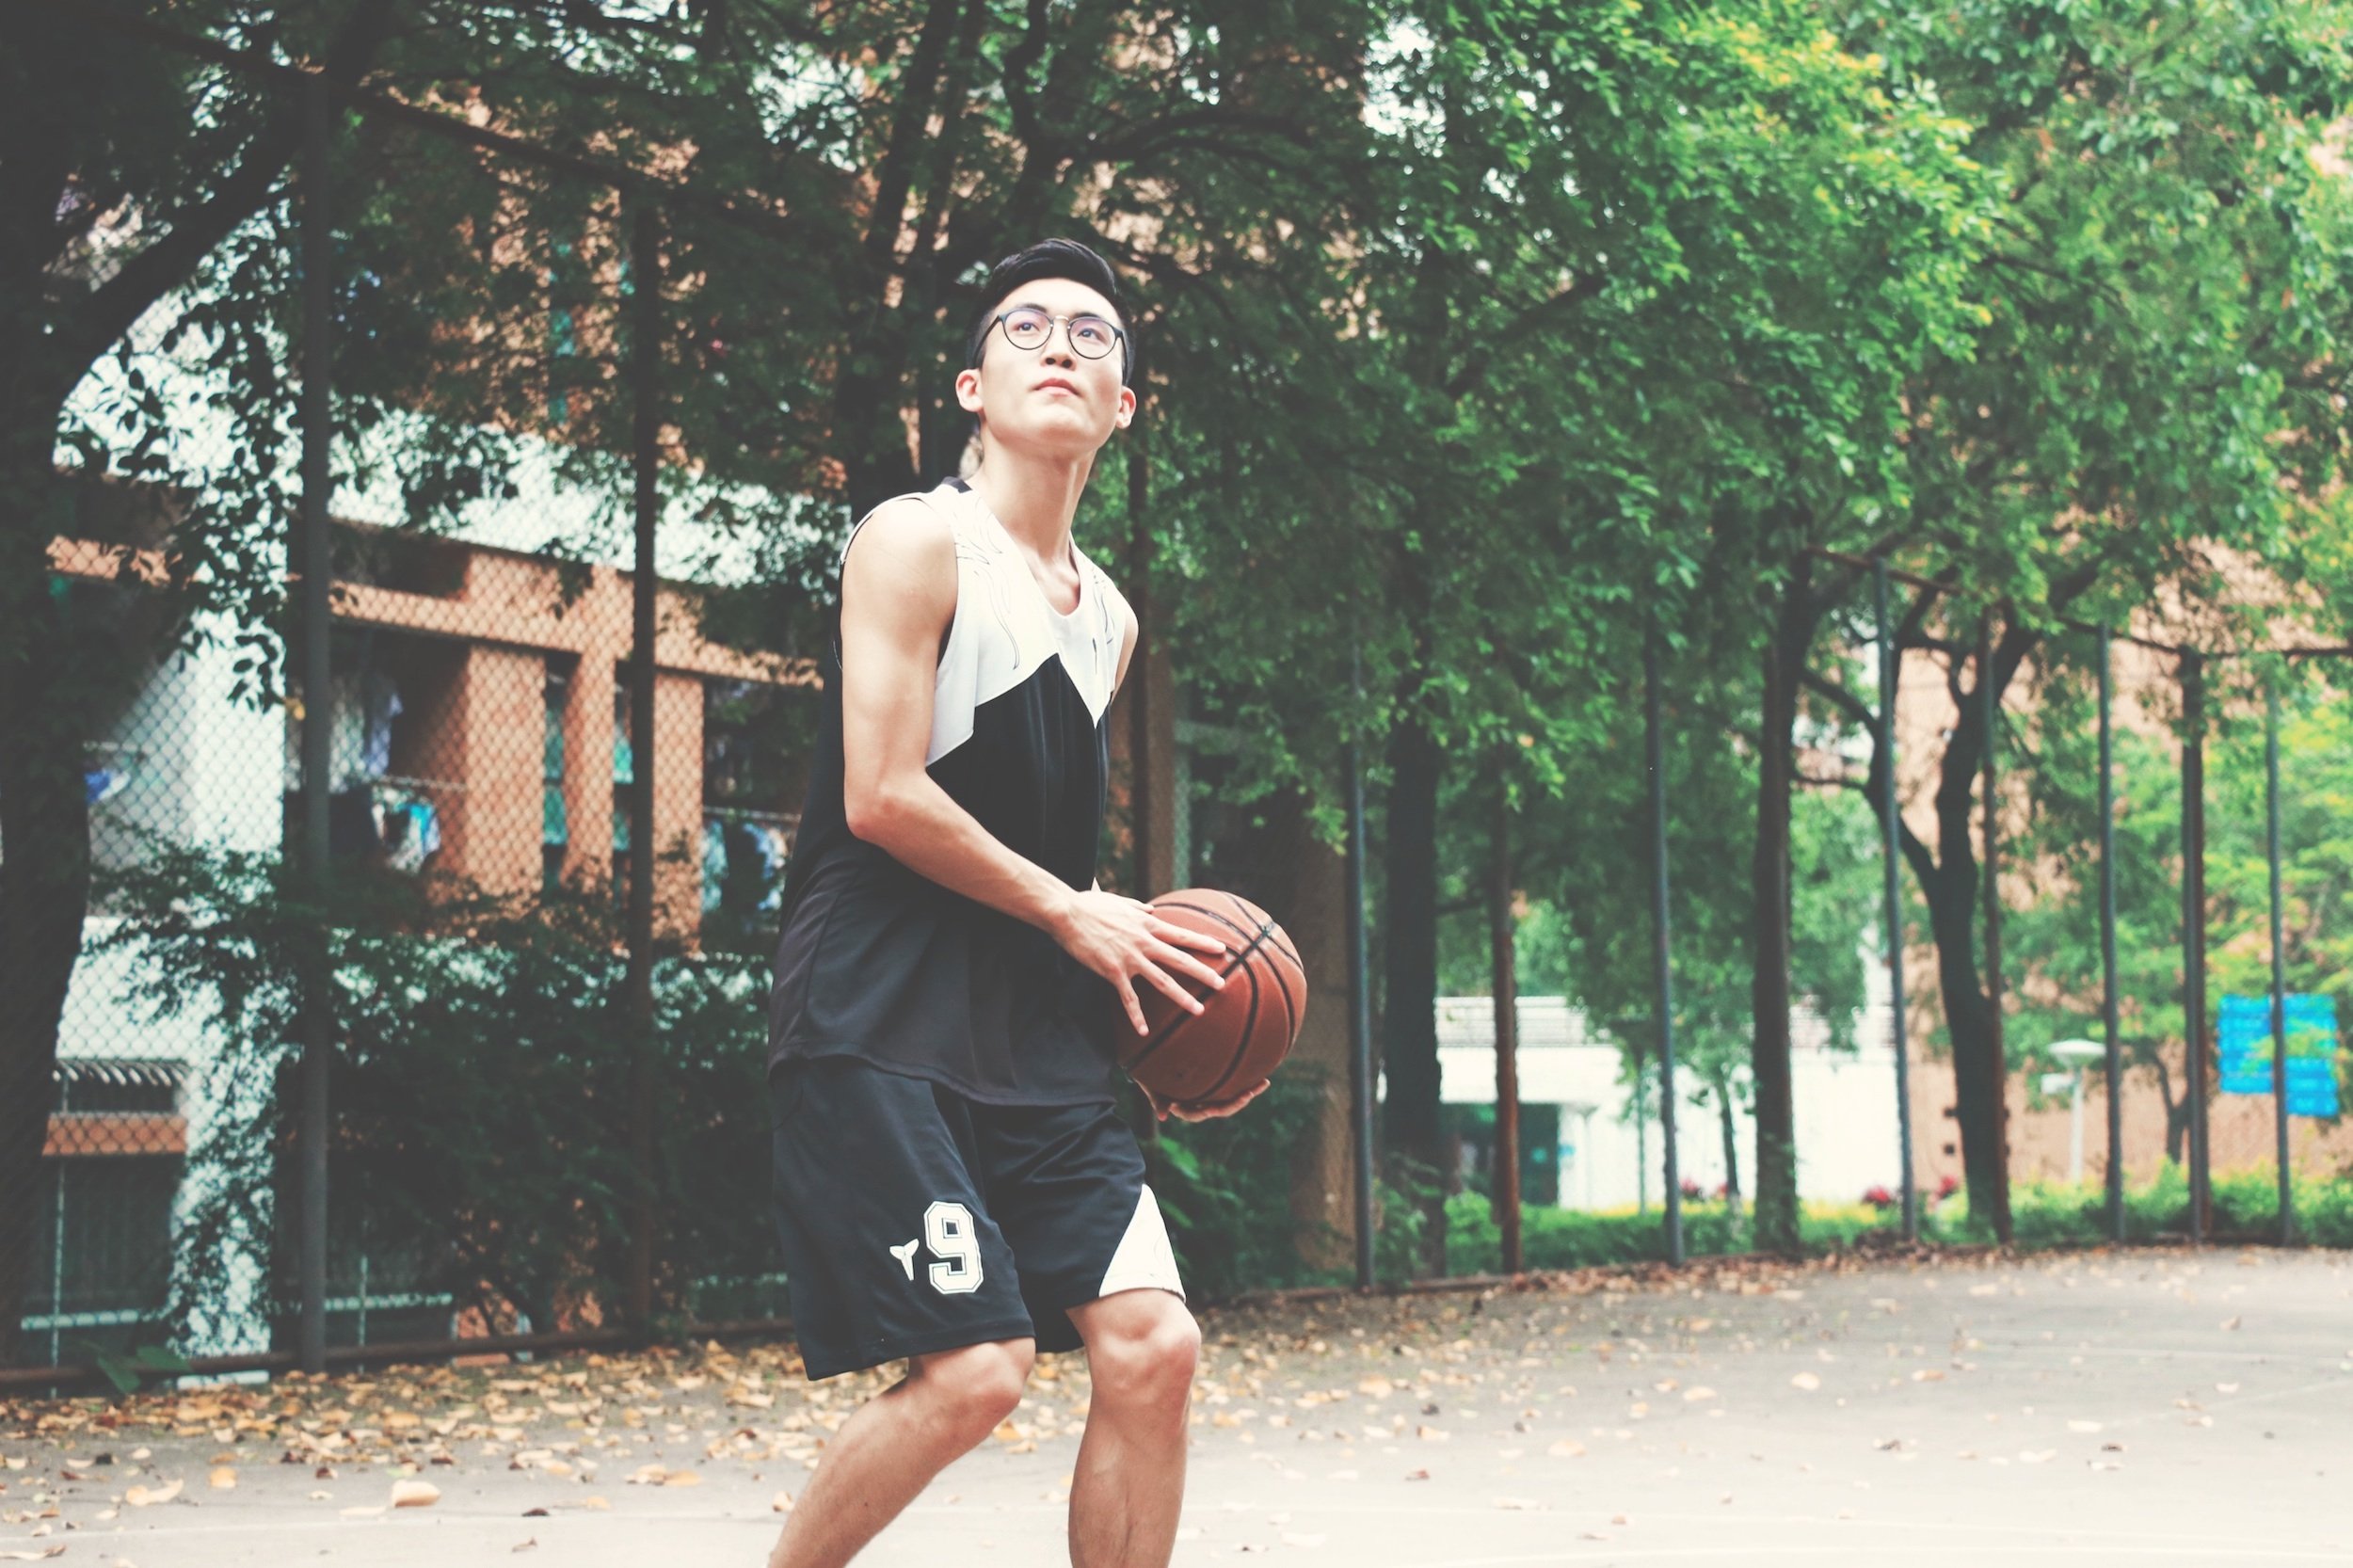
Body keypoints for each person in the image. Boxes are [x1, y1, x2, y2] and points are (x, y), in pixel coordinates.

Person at [762, 238, 1267, 1568]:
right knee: (978, 1368)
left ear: (1125, 406)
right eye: (1026, 326)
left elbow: (1036, 843)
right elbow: (881, 792)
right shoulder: (916, 541)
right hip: (875, 1012)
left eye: (1093, 337)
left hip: (1031, 1035)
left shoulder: (1109, 617)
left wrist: (1170, 995)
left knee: (1155, 1345)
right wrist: (1070, 911)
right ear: (973, 386)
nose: (1060, 344)